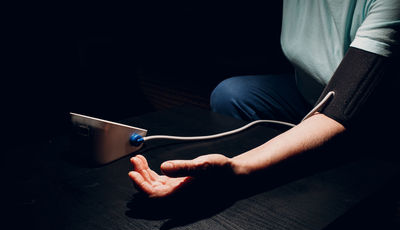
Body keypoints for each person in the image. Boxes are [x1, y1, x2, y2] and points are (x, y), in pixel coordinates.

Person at [129, 0, 399, 198]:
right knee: (232, 94)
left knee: (342, 174)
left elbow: (340, 110)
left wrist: (237, 168)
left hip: (372, 115)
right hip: (305, 91)